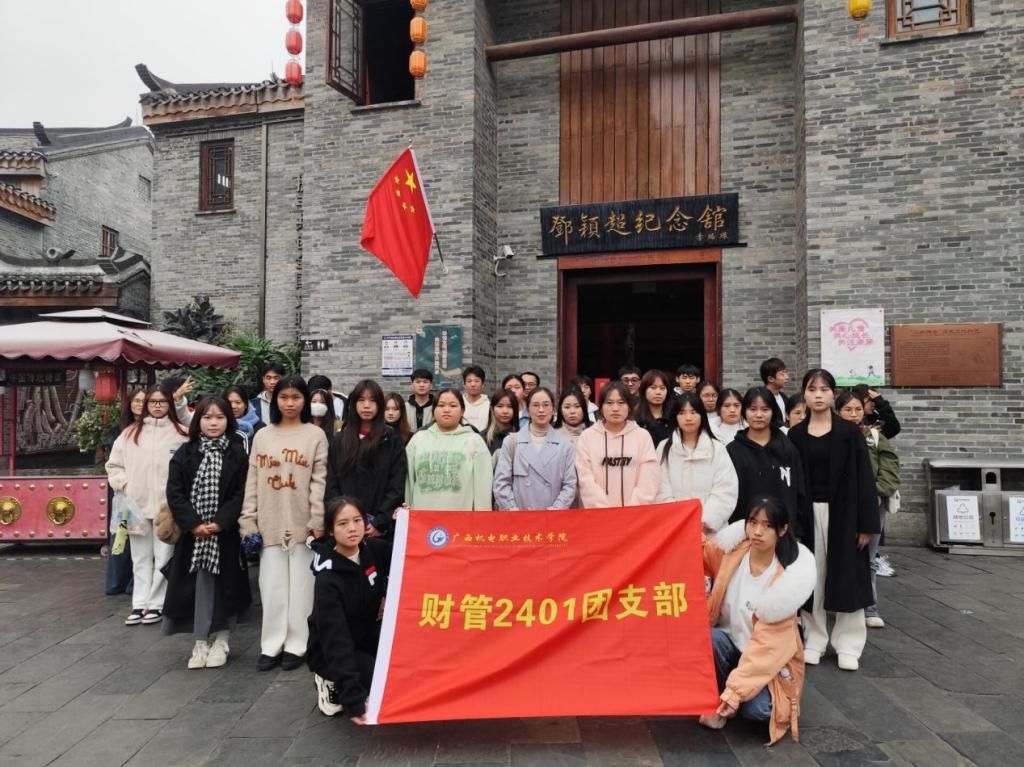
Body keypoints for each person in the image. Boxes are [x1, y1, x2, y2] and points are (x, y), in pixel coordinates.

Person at [698, 497, 815, 744]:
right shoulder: (734, 553)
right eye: (753, 522)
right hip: (730, 647)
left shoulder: (784, 585)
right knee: (711, 637)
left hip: (765, 662)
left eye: (767, 525)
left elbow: (766, 650)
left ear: (782, 530)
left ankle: (730, 694)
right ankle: (724, 694)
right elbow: (702, 553)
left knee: (759, 711)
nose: (758, 531)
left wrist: (734, 694)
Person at [787, 369, 879, 671]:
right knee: (811, 578)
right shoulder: (795, 435)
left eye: (824, 389)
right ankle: (814, 639)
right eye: (812, 389)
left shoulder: (849, 433)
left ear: (833, 394)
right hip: (807, 514)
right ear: (804, 394)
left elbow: (865, 480)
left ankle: (848, 644)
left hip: (845, 515)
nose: (818, 395)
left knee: (847, 576)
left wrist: (866, 524)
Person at [239, 375, 329, 671]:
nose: (290, 403)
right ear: (275, 400)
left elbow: (319, 482)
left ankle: (297, 644)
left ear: (305, 400)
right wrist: (248, 521)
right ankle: (271, 644)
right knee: (272, 587)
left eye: (296, 397)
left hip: (304, 523)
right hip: (269, 520)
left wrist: (317, 519)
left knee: (302, 588)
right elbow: (252, 481)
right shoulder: (263, 436)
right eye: (284, 397)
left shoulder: (315, 435)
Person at [163, 396, 252, 669]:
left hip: (225, 536)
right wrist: (193, 523)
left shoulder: (237, 453)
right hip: (194, 537)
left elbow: (241, 492)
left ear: (229, 420)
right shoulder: (185, 453)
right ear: (198, 421)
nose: (214, 423)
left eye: (220, 417)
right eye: (207, 417)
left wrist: (221, 521)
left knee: (226, 588)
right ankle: (200, 642)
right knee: (196, 588)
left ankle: (222, 640)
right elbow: (175, 493)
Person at [106, 385, 190, 626]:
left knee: (164, 557)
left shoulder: (182, 433)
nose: (157, 406)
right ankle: (139, 603)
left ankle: (157, 604)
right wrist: (125, 485)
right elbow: (113, 466)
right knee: (140, 557)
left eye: (162, 401)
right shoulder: (129, 434)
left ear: (170, 404)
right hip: (134, 506)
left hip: (168, 508)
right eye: (153, 402)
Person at [306, 496, 391, 722]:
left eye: (357, 520)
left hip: (366, 637)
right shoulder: (327, 580)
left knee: (400, 674)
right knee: (382, 683)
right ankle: (328, 679)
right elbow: (336, 640)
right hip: (331, 649)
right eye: (343, 524)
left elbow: (409, 551)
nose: (352, 528)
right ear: (331, 531)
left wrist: (409, 520)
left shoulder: (374, 549)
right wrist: (353, 700)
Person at [836, 390, 900, 628]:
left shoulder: (874, 436)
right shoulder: (830, 437)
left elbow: (890, 467)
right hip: (840, 503)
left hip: (873, 503)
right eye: (847, 410)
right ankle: (840, 600)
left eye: (857, 410)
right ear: (837, 412)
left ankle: (869, 607)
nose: (853, 415)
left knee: (869, 556)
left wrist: (877, 492)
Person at [325, 380, 407, 539]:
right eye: (361, 400)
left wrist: (380, 522)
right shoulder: (340, 440)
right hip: (345, 526)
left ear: (380, 405)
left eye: (372, 400)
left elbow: (396, 484)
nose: (367, 406)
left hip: (379, 530)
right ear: (353, 404)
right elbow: (331, 483)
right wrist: (344, 518)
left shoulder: (390, 439)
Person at [727, 387, 807, 538]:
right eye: (753, 409)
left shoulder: (788, 449)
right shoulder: (733, 451)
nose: (759, 415)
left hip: (783, 533)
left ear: (773, 412)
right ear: (744, 412)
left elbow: (799, 493)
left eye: (765, 409)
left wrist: (797, 531)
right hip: (744, 534)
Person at [655, 393, 738, 533]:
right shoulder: (664, 448)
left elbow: (725, 490)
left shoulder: (717, 448)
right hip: (674, 529)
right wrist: (678, 521)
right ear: (675, 416)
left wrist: (704, 524)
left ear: (702, 416)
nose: (688, 418)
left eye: (693, 412)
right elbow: (660, 488)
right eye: (682, 413)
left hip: (710, 533)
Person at [405, 389, 493, 510]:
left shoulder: (474, 441)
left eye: (453, 405)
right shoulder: (418, 439)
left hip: (460, 518)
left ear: (462, 411)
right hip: (422, 518)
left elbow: (483, 487)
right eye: (441, 405)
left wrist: (481, 517)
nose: (446, 410)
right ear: (433, 410)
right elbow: (408, 482)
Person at [575, 381, 659, 508]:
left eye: (621, 403)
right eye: (609, 403)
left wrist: (632, 509)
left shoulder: (642, 436)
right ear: (600, 407)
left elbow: (649, 478)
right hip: (598, 513)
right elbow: (585, 479)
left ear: (629, 406)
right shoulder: (587, 437)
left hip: (635, 513)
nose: (615, 408)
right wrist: (605, 510)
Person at [493, 387, 577, 510]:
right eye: (536, 405)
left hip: (552, 518)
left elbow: (569, 485)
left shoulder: (565, 445)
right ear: (528, 409)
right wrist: (513, 511)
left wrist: (554, 512)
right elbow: (501, 484)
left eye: (546, 405)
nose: (541, 410)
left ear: (553, 409)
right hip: (520, 517)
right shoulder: (512, 442)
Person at [104, 388, 145, 596]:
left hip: (144, 492)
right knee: (122, 535)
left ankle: (133, 583)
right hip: (123, 493)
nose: (139, 404)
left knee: (140, 536)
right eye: (136, 400)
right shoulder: (119, 431)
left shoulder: (152, 430)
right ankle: (117, 582)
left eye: (143, 401)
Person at [635, 369, 674, 447]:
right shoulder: (635, 418)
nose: (658, 392)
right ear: (644, 390)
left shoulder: (674, 415)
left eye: (662, 388)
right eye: (653, 388)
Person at [225, 385, 264, 453]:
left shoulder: (260, 428)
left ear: (246, 405)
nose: (233, 406)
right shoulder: (220, 426)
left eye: (238, 402)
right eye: (229, 402)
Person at [483, 389, 519, 454]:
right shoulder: (482, 437)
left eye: (510, 406)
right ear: (492, 409)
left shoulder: (521, 437)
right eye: (500, 406)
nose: (505, 411)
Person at [759, 357, 789, 429]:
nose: (787, 377)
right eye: (782, 374)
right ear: (771, 379)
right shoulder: (761, 399)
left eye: (785, 373)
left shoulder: (784, 397)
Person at [461, 365, 490, 432]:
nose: (473, 384)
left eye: (476, 381)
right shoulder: (459, 404)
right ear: (464, 384)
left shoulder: (489, 406)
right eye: (469, 381)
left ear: (483, 384)